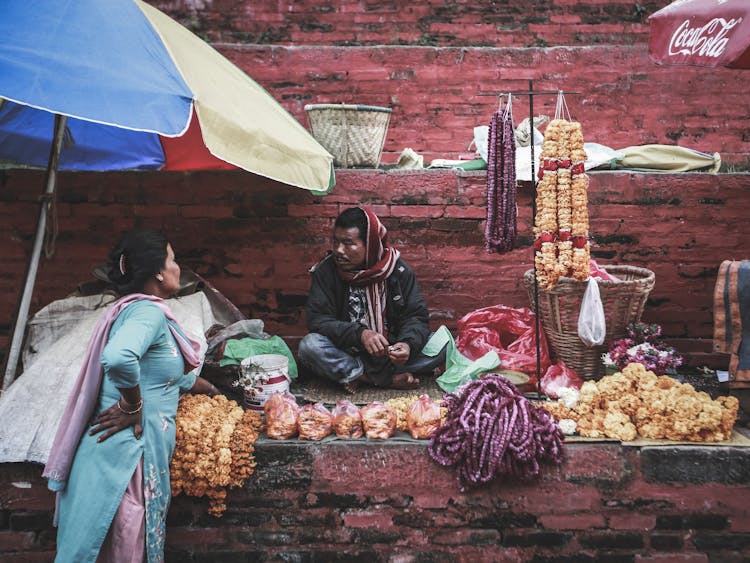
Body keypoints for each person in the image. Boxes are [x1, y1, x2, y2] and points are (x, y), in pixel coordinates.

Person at [43, 229, 219, 563]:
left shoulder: (135, 311)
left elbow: (160, 376)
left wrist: (210, 389)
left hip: (119, 457)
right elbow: (119, 357)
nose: (177, 266)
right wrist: (132, 404)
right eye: (172, 259)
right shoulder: (147, 313)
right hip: (125, 462)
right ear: (157, 271)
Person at [298, 206, 444, 393]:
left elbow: (416, 316)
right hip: (348, 352)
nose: (339, 250)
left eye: (348, 243)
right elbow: (317, 320)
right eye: (336, 242)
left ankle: (356, 376)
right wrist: (361, 334)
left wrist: (407, 343)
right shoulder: (326, 271)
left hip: (391, 356)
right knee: (309, 347)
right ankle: (382, 380)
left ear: (370, 244)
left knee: (444, 344)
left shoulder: (398, 271)